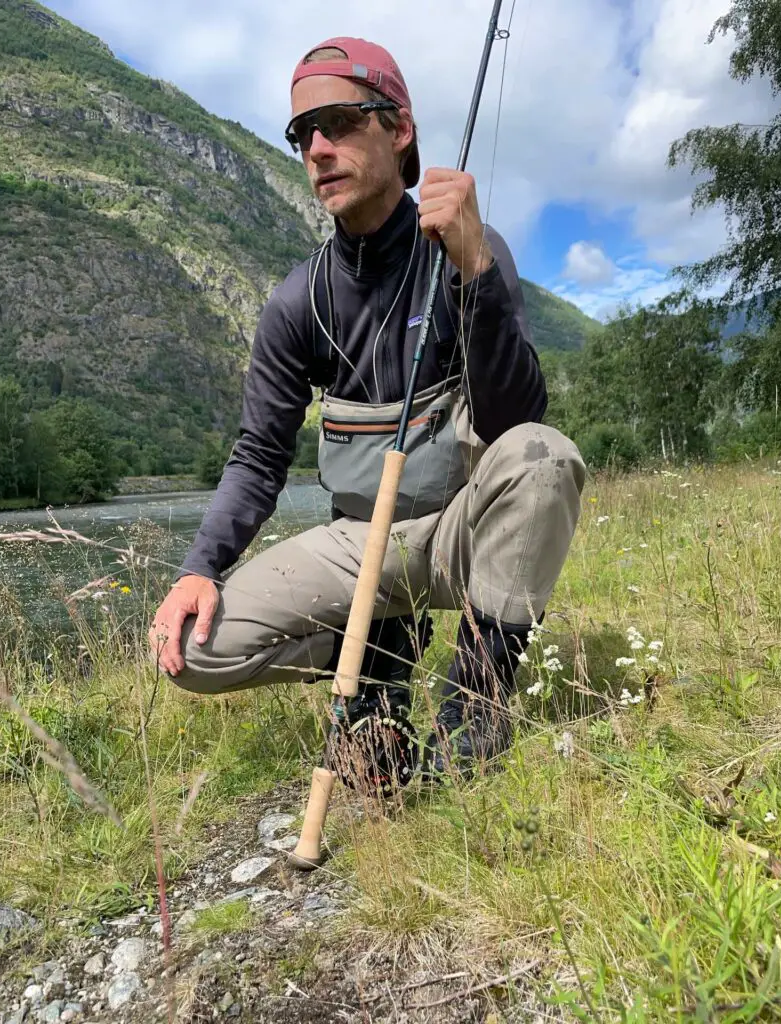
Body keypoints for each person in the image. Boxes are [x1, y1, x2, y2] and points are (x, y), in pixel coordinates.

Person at [148, 36, 586, 776]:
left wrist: (473, 269)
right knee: (189, 651)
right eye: (302, 134)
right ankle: (381, 651)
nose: (318, 148)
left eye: (341, 122)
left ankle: (475, 705)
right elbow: (259, 458)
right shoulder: (297, 301)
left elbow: (516, 422)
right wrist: (199, 567)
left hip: (459, 536)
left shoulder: (470, 250)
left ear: (400, 130)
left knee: (546, 457)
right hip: (361, 549)